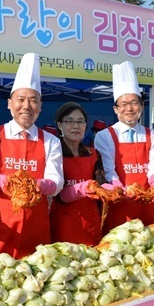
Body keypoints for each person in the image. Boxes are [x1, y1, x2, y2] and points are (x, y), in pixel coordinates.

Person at [0, 53, 63, 263]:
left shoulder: (51, 141)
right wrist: (3, 181)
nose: (26, 106)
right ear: (9, 103)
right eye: (20, 99)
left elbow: (57, 182)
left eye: (33, 101)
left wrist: (39, 185)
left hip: (36, 225)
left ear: (40, 107)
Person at [94, 60, 154, 232]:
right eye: (124, 104)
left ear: (142, 106)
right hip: (119, 203)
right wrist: (123, 190)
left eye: (134, 103)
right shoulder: (105, 136)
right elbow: (109, 171)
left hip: (147, 202)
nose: (129, 108)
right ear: (116, 109)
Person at [49, 102, 109, 246]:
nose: (76, 126)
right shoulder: (53, 154)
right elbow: (59, 195)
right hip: (63, 224)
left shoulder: (93, 154)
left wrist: (114, 189)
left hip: (91, 222)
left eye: (80, 121)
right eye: (70, 121)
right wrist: (84, 188)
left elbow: (101, 183)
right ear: (59, 125)